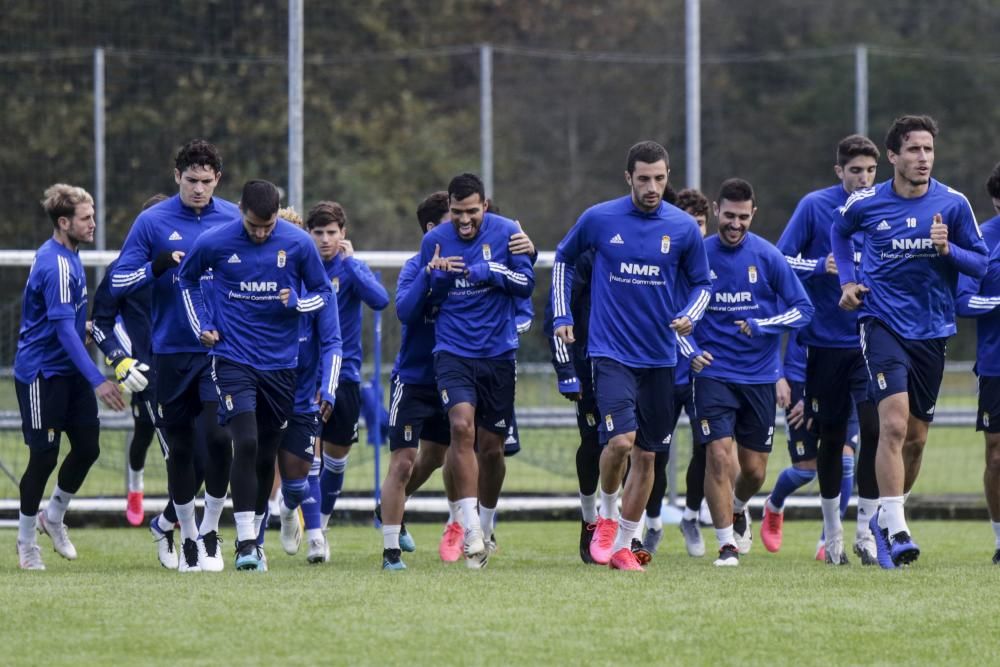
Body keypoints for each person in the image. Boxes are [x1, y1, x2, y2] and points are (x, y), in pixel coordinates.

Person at [833, 115, 987, 568]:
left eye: (929, 150)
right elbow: (839, 233)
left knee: (916, 439)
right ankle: (898, 528)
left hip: (933, 331)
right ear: (894, 157)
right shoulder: (865, 204)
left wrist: (947, 251)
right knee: (893, 424)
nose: (923, 158)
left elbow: (979, 265)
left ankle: (884, 517)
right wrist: (847, 281)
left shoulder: (953, 205)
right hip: (880, 323)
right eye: (914, 150)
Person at [553, 141, 711, 572]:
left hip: (659, 358)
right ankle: (605, 514)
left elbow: (703, 284)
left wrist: (689, 316)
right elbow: (562, 261)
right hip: (610, 353)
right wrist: (562, 314)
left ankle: (624, 545)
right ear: (629, 178)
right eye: (644, 178)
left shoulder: (681, 228)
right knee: (620, 441)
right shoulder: (600, 218)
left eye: (659, 178)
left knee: (648, 455)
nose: (652, 186)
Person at [179, 179, 333, 571]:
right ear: (241, 212)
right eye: (253, 226)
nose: (261, 233)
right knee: (244, 441)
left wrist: (299, 303)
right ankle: (246, 541)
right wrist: (202, 323)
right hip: (233, 358)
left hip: (281, 366)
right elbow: (186, 279)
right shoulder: (216, 241)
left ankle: (257, 536)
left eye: (267, 227)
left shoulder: (297, 243)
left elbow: (323, 293)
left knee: (267, 451)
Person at [112, 140, 240, 572]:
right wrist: (157, 266)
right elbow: (119, 281)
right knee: (181, 450)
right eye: (191, 181)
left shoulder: (233, 219)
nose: (199, 189)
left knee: (220, 441)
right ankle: (185, 538)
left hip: (218, 352)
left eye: (207, 181)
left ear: (217, 180)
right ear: (176, 177)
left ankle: (209, 532)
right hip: (169, 353)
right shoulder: (151, 222)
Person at [682, 178, 814, 567]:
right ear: (716, 212)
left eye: (743, 217)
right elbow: (674, 312)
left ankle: (739, 506)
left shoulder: (769, 257)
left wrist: (763, 325)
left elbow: (803, 310)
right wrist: (690, 350)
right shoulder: (698, 256)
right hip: (712, 374)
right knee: (718, 456)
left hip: (758, 377)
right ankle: (726, 545)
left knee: (754, 470)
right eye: (728, 216)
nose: (735, 224)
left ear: (752, 215)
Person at [771, 134, 881, 564]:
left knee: (874, 431)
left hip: (872, 340)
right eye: (856, 170)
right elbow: (780, 260)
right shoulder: (815, 206)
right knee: (830, 441)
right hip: (823, 344)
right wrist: (820, 265)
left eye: (871, 171)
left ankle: (867, 534)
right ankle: (832, 537)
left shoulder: (885, 207)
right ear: (839, 171)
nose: (864, 178)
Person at [417, 173, 535, 568]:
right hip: (452, 351)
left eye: (471, 212)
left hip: (498, 353)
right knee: (461, 428)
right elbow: (424, 304)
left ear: (485, 205)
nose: (464, 221)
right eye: (456, 213)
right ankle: (469, 530)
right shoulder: (434, 241)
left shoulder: (508, 233)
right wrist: (434, 278)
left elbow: (525, 283)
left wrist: (493, 271)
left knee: (492, 449)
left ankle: (485, 523)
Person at [14, 184, 128, 570]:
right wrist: (98, 378)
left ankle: (55, 516)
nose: (93, 223)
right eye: (86, 218)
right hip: (41, 373)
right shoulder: (56, 263)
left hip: (69, 369)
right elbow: (63, 331)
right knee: (43, 457)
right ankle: (26, 542)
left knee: (89, 448)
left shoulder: (71, 256)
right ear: (64, 223)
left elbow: (71, 326)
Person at [304, 201, 390, 558]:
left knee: (337, 460)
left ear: (343, 234)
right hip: (305, 374)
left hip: (346, 375)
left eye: (331, 233)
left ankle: (320, 524)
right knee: (307, 454)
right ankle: (311, 532)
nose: (325, 239)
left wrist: (353, 264)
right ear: (309, 234)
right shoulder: (299, 264)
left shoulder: (351, 267)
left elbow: (381, 300)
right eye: (318, 233)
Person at [269, 207, 343, 563]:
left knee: (301, 476)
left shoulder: (317, 289)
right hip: (262, 387)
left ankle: (290, 512)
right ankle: (250, 545)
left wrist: (327, 388)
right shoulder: (256, 281)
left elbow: (332, 342)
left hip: (302, 393)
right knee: (254, 456)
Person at [640, 187, 710, 561]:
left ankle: (692, 516)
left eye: (700, 224)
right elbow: (664, 320)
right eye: (687, 223)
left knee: (707, 446)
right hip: (664, 370)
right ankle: (652, 522)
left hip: (703, 375)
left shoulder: (708, 262)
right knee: (656, 453)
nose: (694, 231)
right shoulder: (660, 261)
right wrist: (691, 350)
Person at [91, 193, 169, 529]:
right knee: (146, 433)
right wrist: (123, 359)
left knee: (191, 440)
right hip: (144, 370)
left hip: (183, 365)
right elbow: (102, 324)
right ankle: (136, 488)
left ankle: (177, 506)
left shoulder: (184, 263)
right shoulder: (121, 270)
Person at [760, 331, 859, 560]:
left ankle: (829, 540)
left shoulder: (854, 295)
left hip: (843, 373)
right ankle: (774, 505)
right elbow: (770, 322)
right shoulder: (797, 294)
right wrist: (778, 375)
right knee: (806, 471)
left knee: (845, 459)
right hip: (797, 379)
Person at [954, 161, 1000, 564]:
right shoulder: (982, 240)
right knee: (997, 455)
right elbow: (962, 301)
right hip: (995, 365)